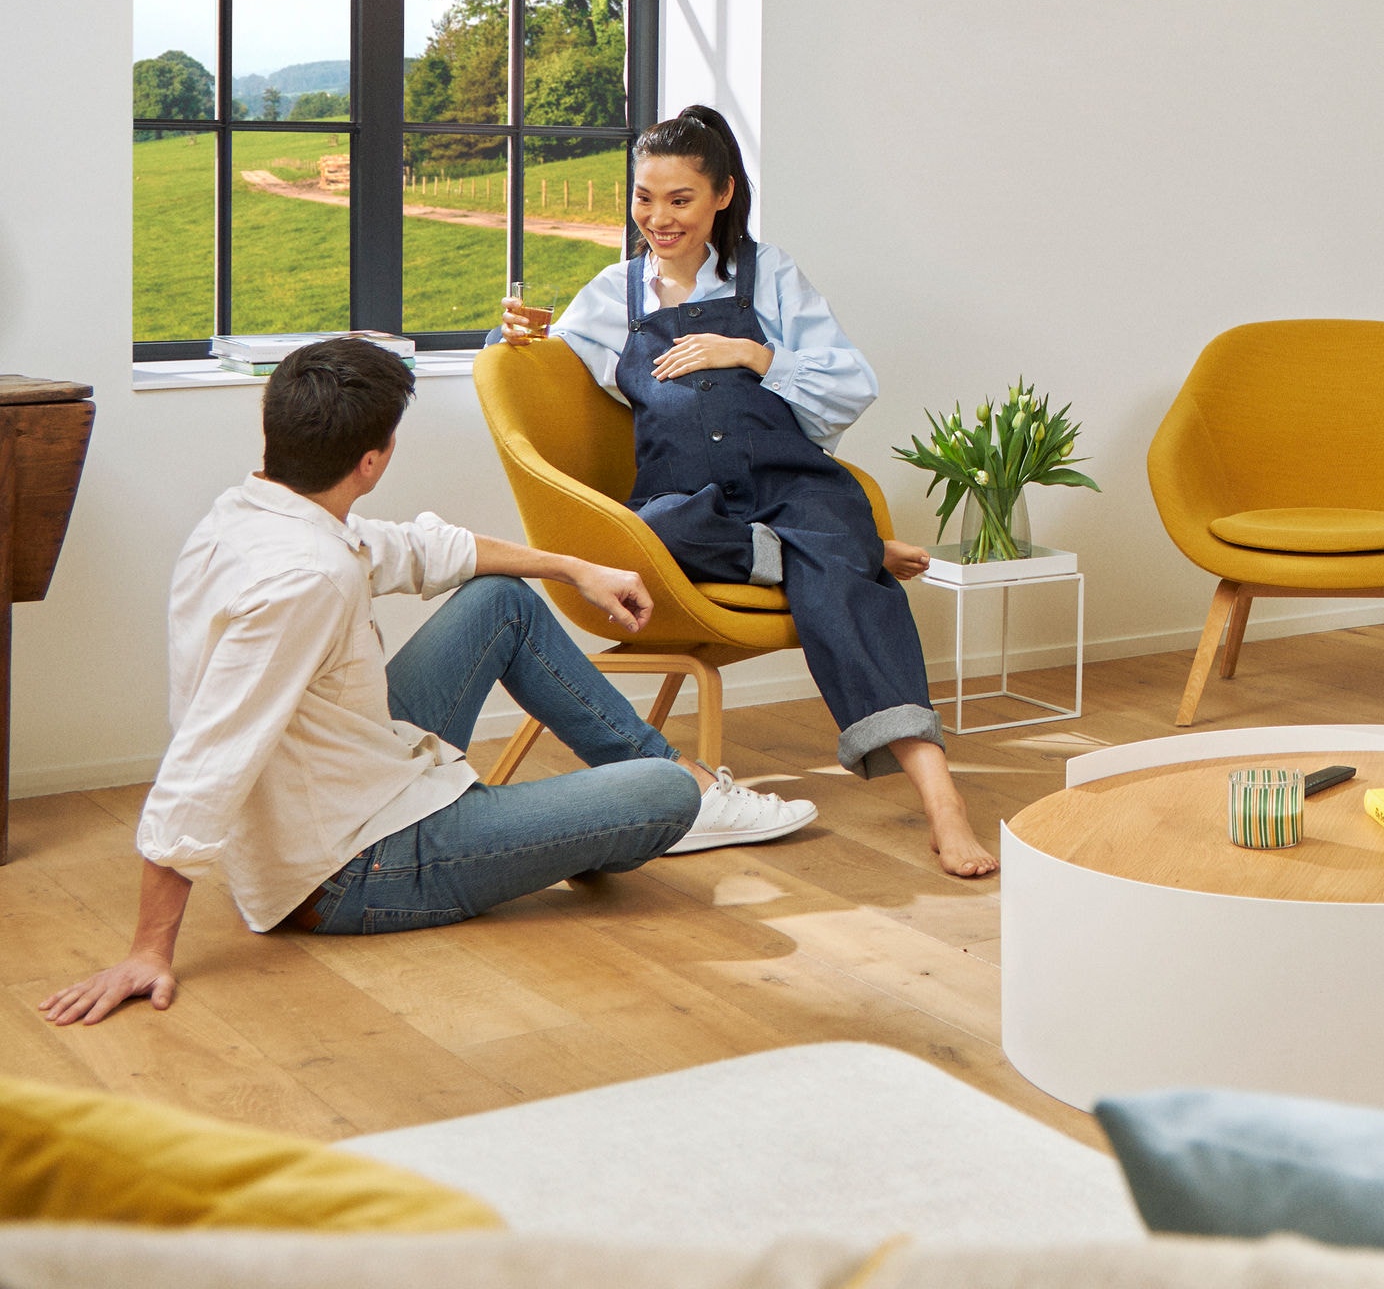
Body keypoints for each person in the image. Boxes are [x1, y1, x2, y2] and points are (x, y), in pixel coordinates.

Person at [40, 338, 814, 1029]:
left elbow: (414, 549)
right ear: (373, 460)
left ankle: (655, 793)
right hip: (352, 868)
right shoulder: (303, 580)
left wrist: (572, 565)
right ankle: (669, 795)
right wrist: (147, 949)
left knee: (502, 600)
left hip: (362, 780)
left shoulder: (255, 513)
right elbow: (208, 756)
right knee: (660, 797)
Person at [494, 107, 997, 878]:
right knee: (657, 529)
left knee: (851, 599)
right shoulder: (615, 294)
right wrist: (514, 337)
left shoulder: (770, 276)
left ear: (722, 194)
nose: (657, 218)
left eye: (680, 200)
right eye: (644, 198)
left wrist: (752, 353)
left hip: (792, 484)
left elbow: (850, 383)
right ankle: (845, 548)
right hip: (690, 506)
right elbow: (549, 368)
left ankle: (943, 804)